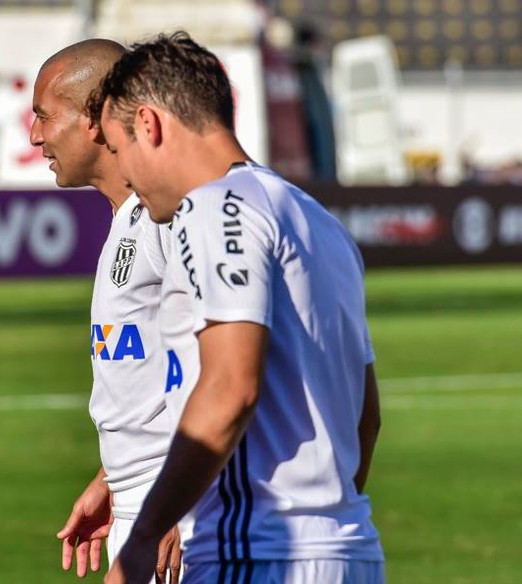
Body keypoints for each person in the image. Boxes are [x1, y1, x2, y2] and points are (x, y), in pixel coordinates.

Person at [91, 32, 385, 584]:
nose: (124, 174)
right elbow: (365, 416)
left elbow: (230, 388)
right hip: (349, 552)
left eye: (120, 146)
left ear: (149, 125)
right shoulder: (318, 220)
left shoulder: (215, 209)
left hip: (254, 554)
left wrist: (143, 537)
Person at [29, 38, 183, 583]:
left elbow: (231, 366)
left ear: (94, 117)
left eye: (44, 115)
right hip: (140, 500)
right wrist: (112, 476)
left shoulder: (168, 216)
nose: (35, 135)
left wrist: (188, 498)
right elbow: (155, 376)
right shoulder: (129, 217)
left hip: (174, 512)